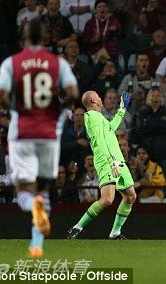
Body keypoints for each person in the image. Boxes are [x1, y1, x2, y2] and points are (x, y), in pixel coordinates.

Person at [0, 19, 79, 257]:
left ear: (22, 39)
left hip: (22, 133)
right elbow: (73, 93)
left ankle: (32, 208)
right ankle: (37, 245)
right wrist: (57, 110)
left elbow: (0, 98)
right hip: (49, 133)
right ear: (45, 38)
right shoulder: (57, 63)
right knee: (43, 188)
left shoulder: (12, 63)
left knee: (23, 188)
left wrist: (17, 105)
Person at [67, 90, 137, 241]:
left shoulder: (98, 117)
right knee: (107, 199)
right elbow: (100, 140)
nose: (100, 98)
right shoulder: (92, 116)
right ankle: (77, 227)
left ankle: (115, 233)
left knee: (130, 196)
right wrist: (111, 161)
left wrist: (122, 109)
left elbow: (111, 129)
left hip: (117, 160)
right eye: (98, 96)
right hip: (107, 161)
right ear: (93, 100)